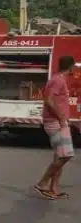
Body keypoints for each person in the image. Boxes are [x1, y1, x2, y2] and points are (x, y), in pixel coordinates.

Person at [34, 55, 76, 200]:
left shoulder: (58, 79)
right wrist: (62, 117)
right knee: (66, 155)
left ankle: (53, 188)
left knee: (60, 155)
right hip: (55, 122)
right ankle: (42, 183)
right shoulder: (58, 80)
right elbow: (49, 100)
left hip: (57, 121)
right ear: (71, 67)